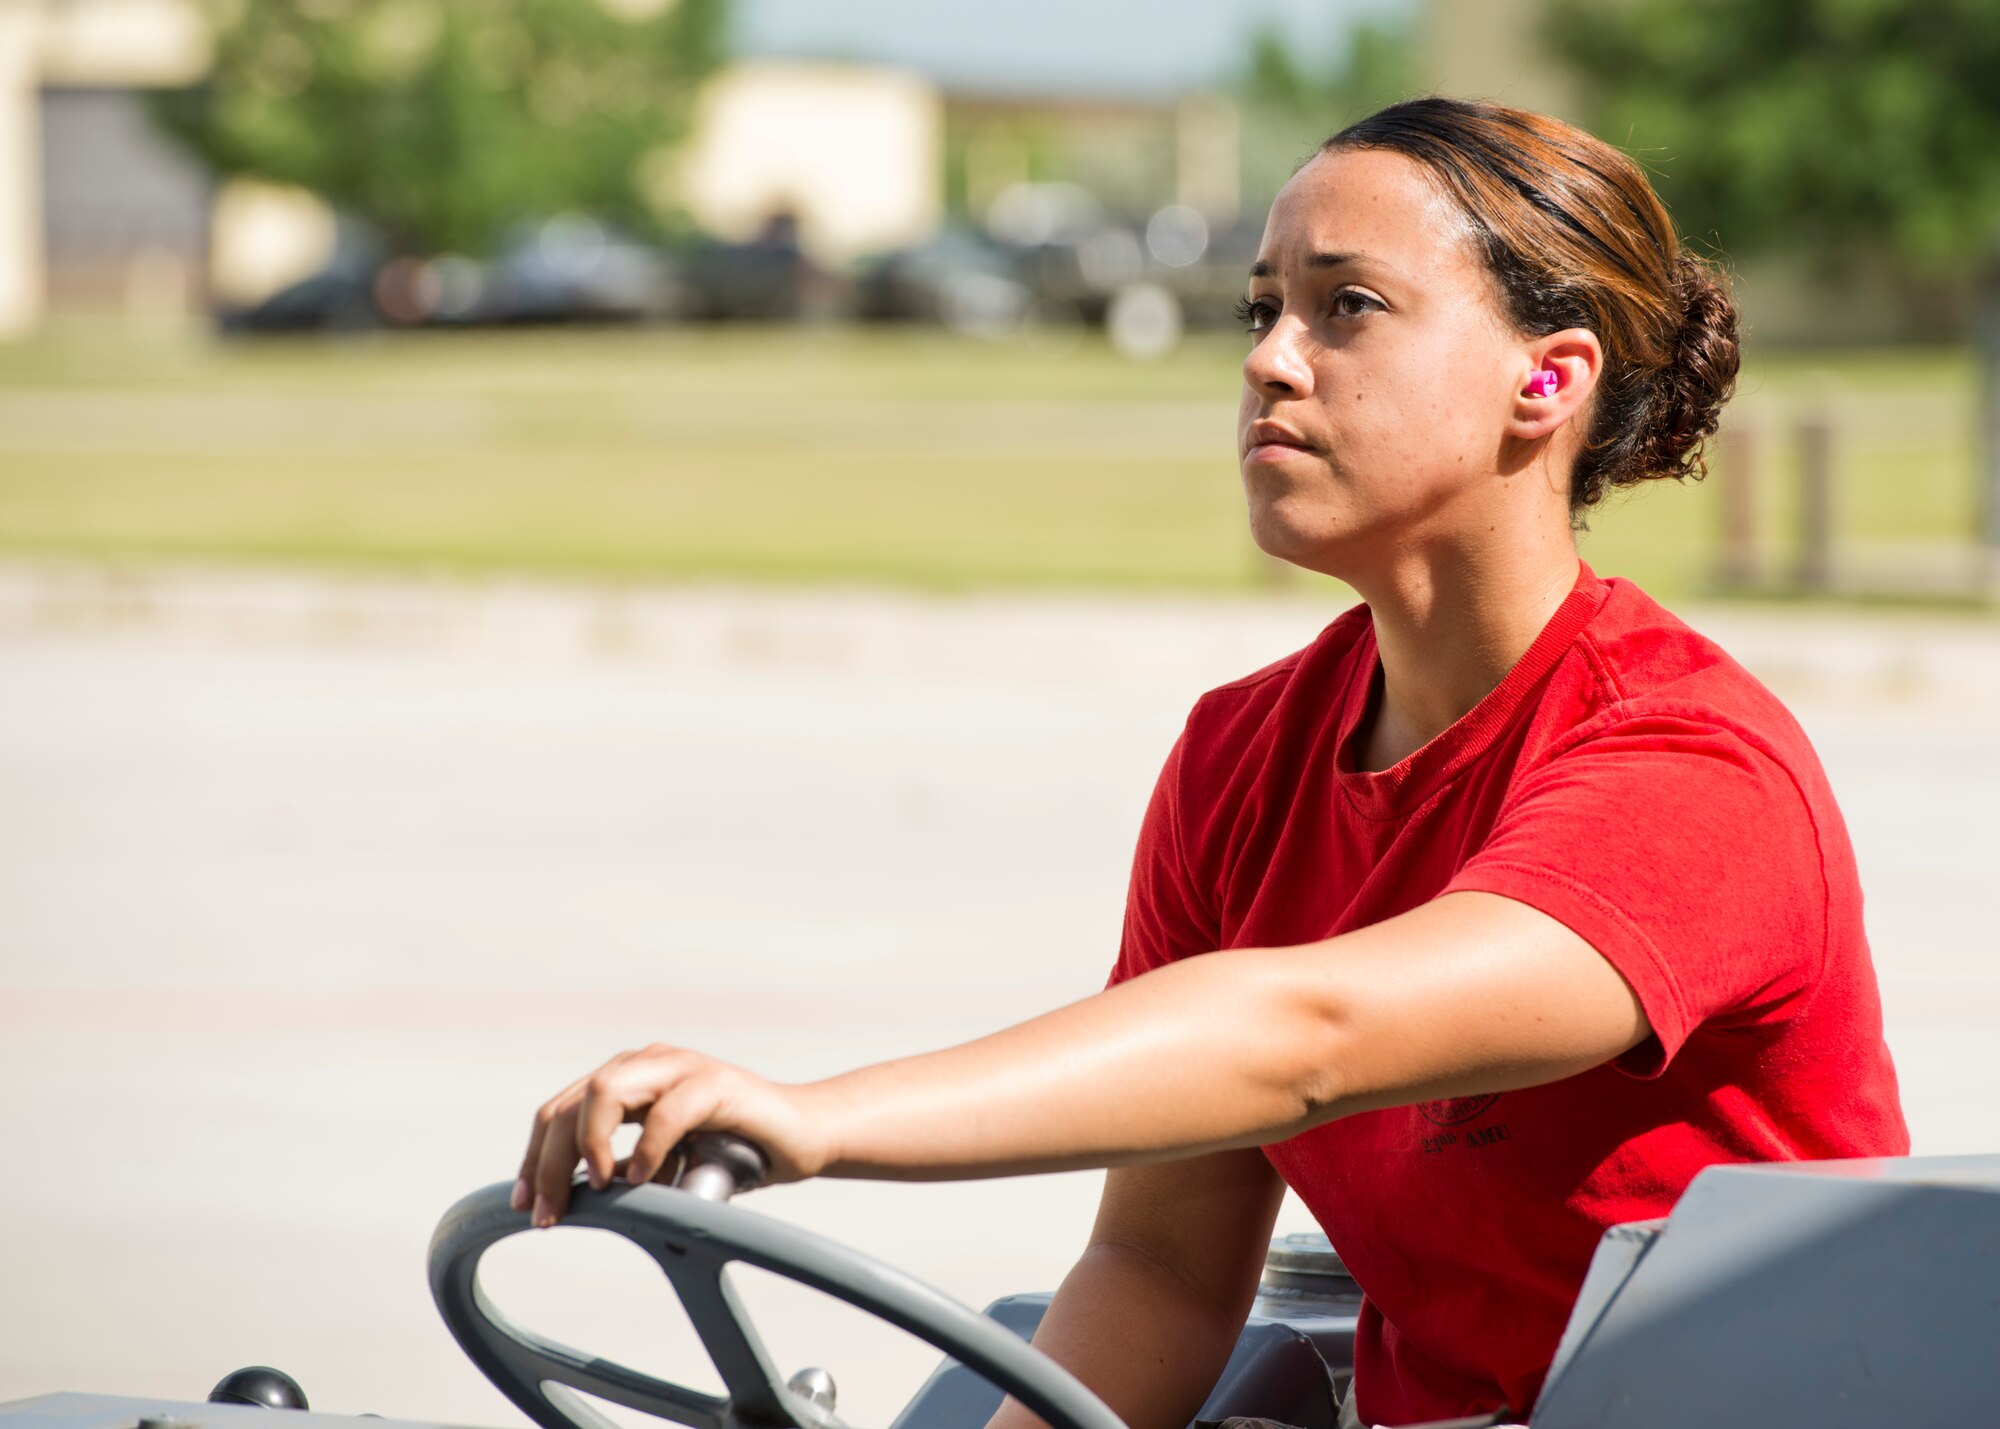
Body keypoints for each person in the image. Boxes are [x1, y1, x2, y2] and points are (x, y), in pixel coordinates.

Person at [510, 98, 1909, 1427]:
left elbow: (1308, 1038)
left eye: (1345, 307)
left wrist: (815, 1119)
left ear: (1546, 381)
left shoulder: (1686, 760)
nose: (1269, 358)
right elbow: (1164, 1270)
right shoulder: (1242, 754)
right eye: (1263, 309)